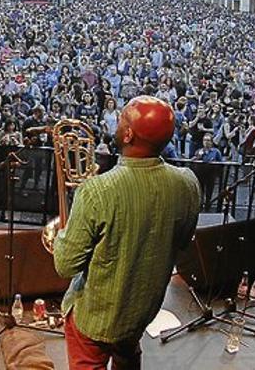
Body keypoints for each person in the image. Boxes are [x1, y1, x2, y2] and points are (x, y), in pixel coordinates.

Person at [53, 96, 201, 369]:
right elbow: (181, 242)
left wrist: (68, 228)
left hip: (95, 317)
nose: (117, 125)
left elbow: (65, 265)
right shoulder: (188, 183)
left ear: (129, 134)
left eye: (121, 120)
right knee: (127, 354)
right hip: (141, 311)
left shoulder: (96, 192)